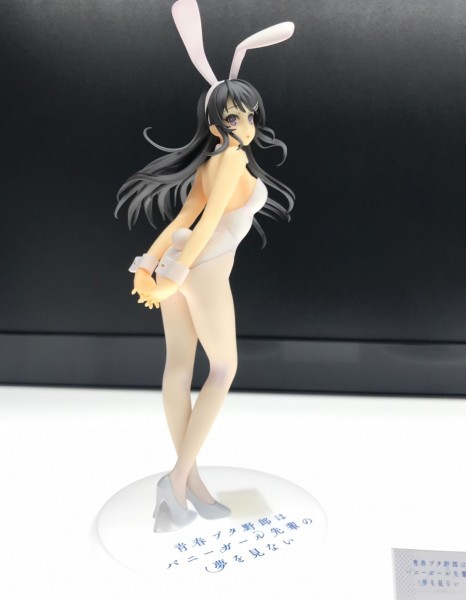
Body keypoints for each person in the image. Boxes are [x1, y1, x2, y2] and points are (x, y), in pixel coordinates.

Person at [115, 0, 294, 533]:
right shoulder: (231, 159)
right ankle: (176, 481)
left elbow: (182, 220)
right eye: (235, 117)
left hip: (185, 263)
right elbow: (208, 218)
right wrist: (169, 273)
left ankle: (188, 484)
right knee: (222, 370)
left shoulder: (209, 163)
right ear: (217, 127)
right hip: (205, 268)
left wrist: (150, 263)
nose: (247, 125)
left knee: (178, 368)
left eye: (250, 115)